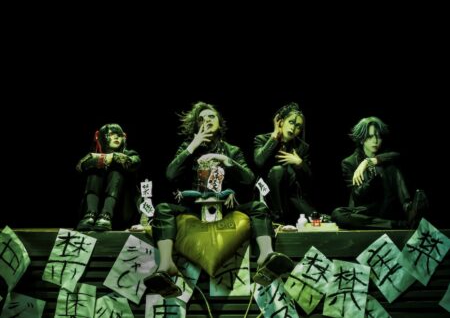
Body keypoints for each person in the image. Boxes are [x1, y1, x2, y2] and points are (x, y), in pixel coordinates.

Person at [144, 101, 294, 297]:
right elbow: (170, 175)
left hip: (226, 208)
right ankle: (166, 265)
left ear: (219, 122)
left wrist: (226, 160)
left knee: (258, 207)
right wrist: (193, 146)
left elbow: (249, 179)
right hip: (194, 209)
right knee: (163, 208)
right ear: (196, 125)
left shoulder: (232, 150)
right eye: (201, 119)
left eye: (211, 116)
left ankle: (266, 256)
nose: (206, 120)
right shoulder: (188, 147)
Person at [331, 116, 428, 230]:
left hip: (385, 206)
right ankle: (396, 224)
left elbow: (399, 155)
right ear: (362, 139)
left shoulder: (386, 157)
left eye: (378, 136)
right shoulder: (349, 162)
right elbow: (357, 196)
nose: (375, 141)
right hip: (365, 211)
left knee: (391, 167)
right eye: (370, 136)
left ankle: (408, 208)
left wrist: (368, 162)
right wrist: (372, 182)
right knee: (337, 214)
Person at [254, 102, 316, 223]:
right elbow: (259, 162)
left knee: (315, 219)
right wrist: (274, 137)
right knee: (278, 170)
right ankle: (277, 217)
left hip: (292, 195)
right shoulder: (262, 139)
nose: (293, 128)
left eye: (298, 126)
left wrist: (299, 163)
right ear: (281, 122)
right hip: (267, 192)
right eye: (291, 122)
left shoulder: (302, 147)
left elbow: (309, 180)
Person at [76, 123, 141, 231]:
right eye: (111, 134)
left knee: (116, 172)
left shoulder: (130, 153)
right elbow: (80, 166)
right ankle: (90, 214)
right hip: (96, 210)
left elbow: (134, 162)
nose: (116, 137)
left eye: (119, 135)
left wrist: (112, 157)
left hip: (121, 209)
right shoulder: (93, 153)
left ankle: (106, 214)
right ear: (102, 137)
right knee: (95, 171)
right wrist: (103, 159)